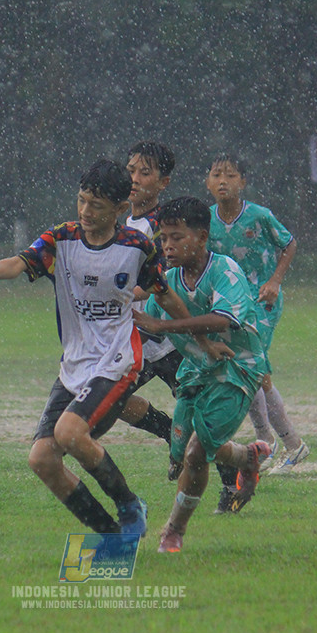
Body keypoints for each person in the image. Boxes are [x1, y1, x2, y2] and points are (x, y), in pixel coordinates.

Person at [0, 159, 221, 537]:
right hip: (75, 364)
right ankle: (110, 534)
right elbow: (19, 263)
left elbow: (165, 296)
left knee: (69, 433)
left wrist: (202, 340)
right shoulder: (60, 239)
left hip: (117, 360)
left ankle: (130, 505)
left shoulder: (136, 247)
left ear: (119, 209)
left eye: (96, 205)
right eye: (81, 201)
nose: (85, 211)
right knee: (42, 459)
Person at [132, 196, 271, 553]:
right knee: (181, 451)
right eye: (163, 239)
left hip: (237, 369)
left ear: (203, 238)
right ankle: (245, 457)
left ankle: (173, 531)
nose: (168, 246)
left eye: (177, 238)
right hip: (195, 369)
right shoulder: (169, 279)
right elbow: (147, 322)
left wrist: (165, 323)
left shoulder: (224, 270)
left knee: (195, 453)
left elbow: (223, 320)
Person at [206, 154, 309, 488]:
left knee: (255, 370)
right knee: (246, 369)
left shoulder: (259, 216)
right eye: (216, 175)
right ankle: (273, 443)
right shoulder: (205, 220)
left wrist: (275, 281)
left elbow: (289, 242)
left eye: (231, 175)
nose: (223, 181)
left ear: (242, 182)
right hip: (231, 306)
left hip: (262, 303)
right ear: (207, 182)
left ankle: (288, 444)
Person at [116, 141, 182, 463]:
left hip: (172, 339)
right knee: (112, 400)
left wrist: (130, 293)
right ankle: (168, 432)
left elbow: (166, 278)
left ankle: (234, 475)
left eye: (145, 172)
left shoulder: (164, 225)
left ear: (163, 182)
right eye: (131, 171)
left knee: (198, 416)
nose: (135, 179)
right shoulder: (120, 225)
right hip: (136, 341)